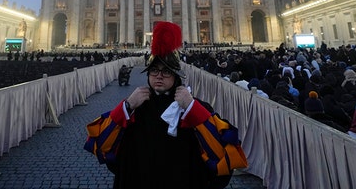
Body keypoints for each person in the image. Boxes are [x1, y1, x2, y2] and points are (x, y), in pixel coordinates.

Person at [84, 22, 247, 188]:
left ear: (176, 76)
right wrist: (126, 107)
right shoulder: (134, 108)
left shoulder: (194, 108)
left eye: (166, 71)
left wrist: (192, 108)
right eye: (154, 70)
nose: (159, 76)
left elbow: (222, 153)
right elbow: (102, 145)